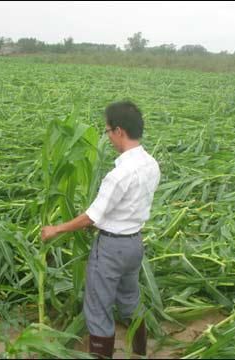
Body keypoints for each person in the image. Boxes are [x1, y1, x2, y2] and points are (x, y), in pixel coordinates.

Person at [41, 101, 161, 359]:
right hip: (134, 244)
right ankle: (141, 352)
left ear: (119, 131)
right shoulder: (152, 165)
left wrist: (56, 229)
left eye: (107, 131)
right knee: (130, 299)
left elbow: (91, 217)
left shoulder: (119, 175)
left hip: (110, 249)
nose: (107, 137)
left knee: (97, 309)